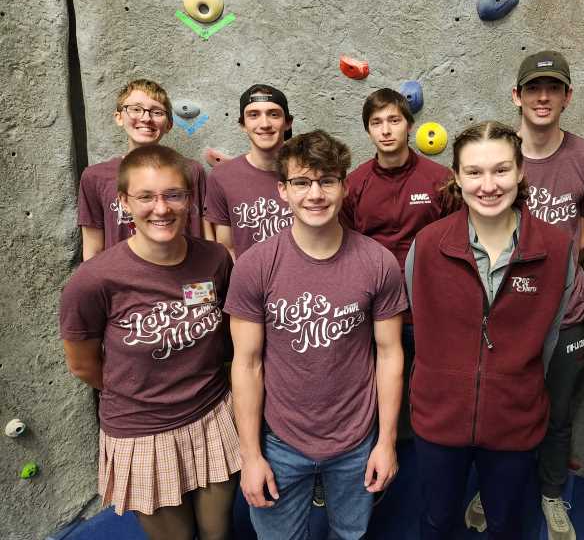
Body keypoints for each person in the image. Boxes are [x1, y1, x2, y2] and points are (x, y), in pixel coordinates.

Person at [225, 130, 407, 540]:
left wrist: (387, 441)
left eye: (326, 181)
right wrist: (250, 454)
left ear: (344, 187)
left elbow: (391, 354)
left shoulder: (378, 263)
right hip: (281, 441)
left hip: (357, 440)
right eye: (302, 182)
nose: (315, 194)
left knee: (351, 535)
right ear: (283, 191)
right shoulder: (255, 266)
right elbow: (247, 364)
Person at [60, 145, 239, 540]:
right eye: (146, 197)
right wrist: (142, 393)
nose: (162, 208)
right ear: (124, 202)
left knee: (218, 533)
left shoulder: (213, 259)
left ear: (189, 199)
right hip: (143, 432)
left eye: (173, 194)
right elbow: (83, 365)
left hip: (212, 415)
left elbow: (226, 334)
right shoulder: (94, 280)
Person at [406, 121, 574, 539]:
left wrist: (512, 382)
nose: (489, 185)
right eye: (475, 172)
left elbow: (550, 338)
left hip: (515, 420)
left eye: (501, 170)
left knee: (508, 525)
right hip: (439, 419)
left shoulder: (557, 249)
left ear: (520, 172)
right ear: (457, 177)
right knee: (435, 520)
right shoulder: (426, 245)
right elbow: (421, 322)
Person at [502, 50, 584, 540]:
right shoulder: (500, 154)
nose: (542, 97)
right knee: (504, 408)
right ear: (517, 96)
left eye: (553, 89)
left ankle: (550, 494)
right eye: (533, 88)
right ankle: (497, 487)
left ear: (568, 96)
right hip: (507, 314)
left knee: (558, 413)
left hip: (567, 314)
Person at [341, 88, 450, 441]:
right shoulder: (354, 183)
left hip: (428, 311)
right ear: (368, 130)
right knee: (375, 396)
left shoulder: (438, 179)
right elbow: (344, 245)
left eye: (393, 120)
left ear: (409, 125)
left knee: (427, 398)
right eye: (376, 122)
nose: (386, 130)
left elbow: (458, 240)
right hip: (374, 312)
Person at [77, 79, 210, 260]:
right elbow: (92, 251)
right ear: (118, 117)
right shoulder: (95, 177)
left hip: (186, 277)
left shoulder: (192, 171)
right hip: (123, 281)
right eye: (136, 109)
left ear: (169, 124)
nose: (146, 118)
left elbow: (206, 235)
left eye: (157, 112)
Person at [204, 84, 294, 260]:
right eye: (254, 115)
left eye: (273, 114)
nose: (265, 124)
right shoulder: (222, 177)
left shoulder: (309, 173)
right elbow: (227, 248)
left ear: (288, 123)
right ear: (243, 125)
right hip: (250, 283)